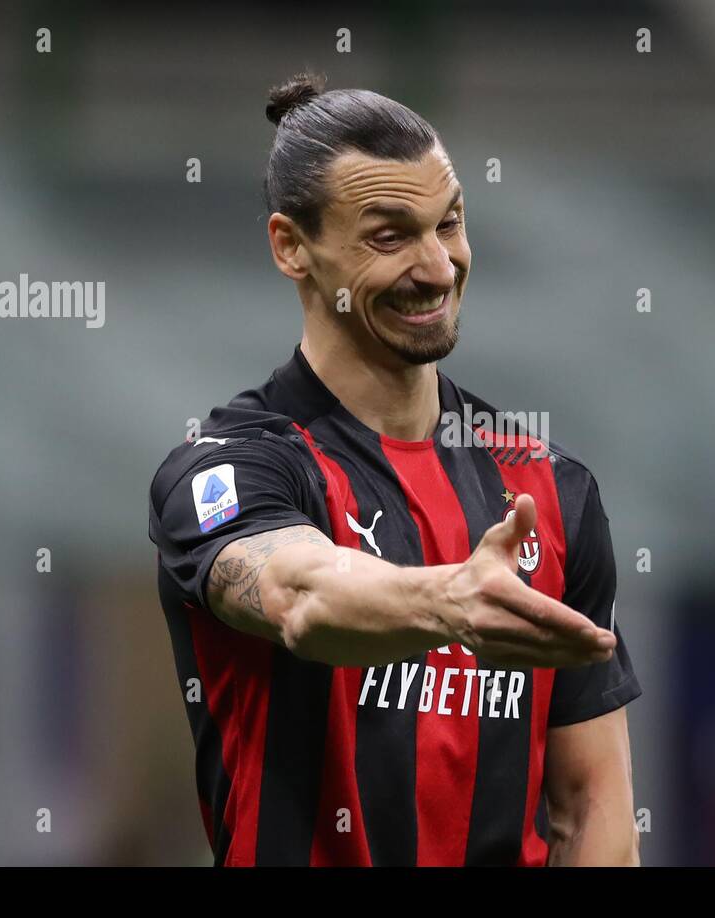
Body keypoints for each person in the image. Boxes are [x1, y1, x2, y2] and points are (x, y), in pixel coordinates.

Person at [148, 73, 640, 866]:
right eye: (390, 236)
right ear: (290, 247)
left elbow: (592, 807)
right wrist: (451, 602)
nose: (439, 267)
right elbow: (300, 598)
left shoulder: (550, 490)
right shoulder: (232, 470)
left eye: (450, 224)